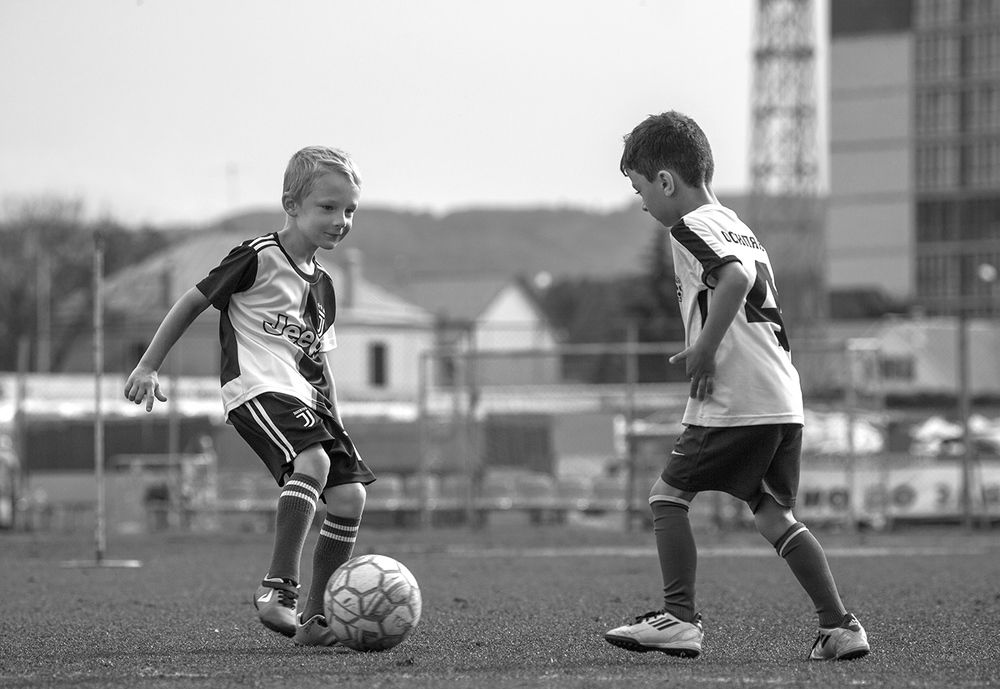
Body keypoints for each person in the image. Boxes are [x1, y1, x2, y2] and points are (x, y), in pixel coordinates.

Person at [604, 112, 869, 661]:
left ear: (666, 182)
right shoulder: (738, 226)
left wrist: (704, 348)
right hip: (781, 396)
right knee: (774, 514)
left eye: (639, 188)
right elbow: (747, 276)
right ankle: (839, 626)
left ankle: (679, 619)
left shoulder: (690, 225)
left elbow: (737, 279)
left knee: (666, 497)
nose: (643, 203)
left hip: (738, 397)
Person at [124, 145, 375, 647]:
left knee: (350, 495)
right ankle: (277, 589)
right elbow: (193, 301)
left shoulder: (324, 286)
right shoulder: (258, 255)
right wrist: (149, 364)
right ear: (291, 204)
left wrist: (336, 421)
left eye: (349, 210)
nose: (340, 219)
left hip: (306, 399)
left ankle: (316, 619)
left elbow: (318, 363)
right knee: (314, 464)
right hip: (255, 387)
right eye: (327, 207)